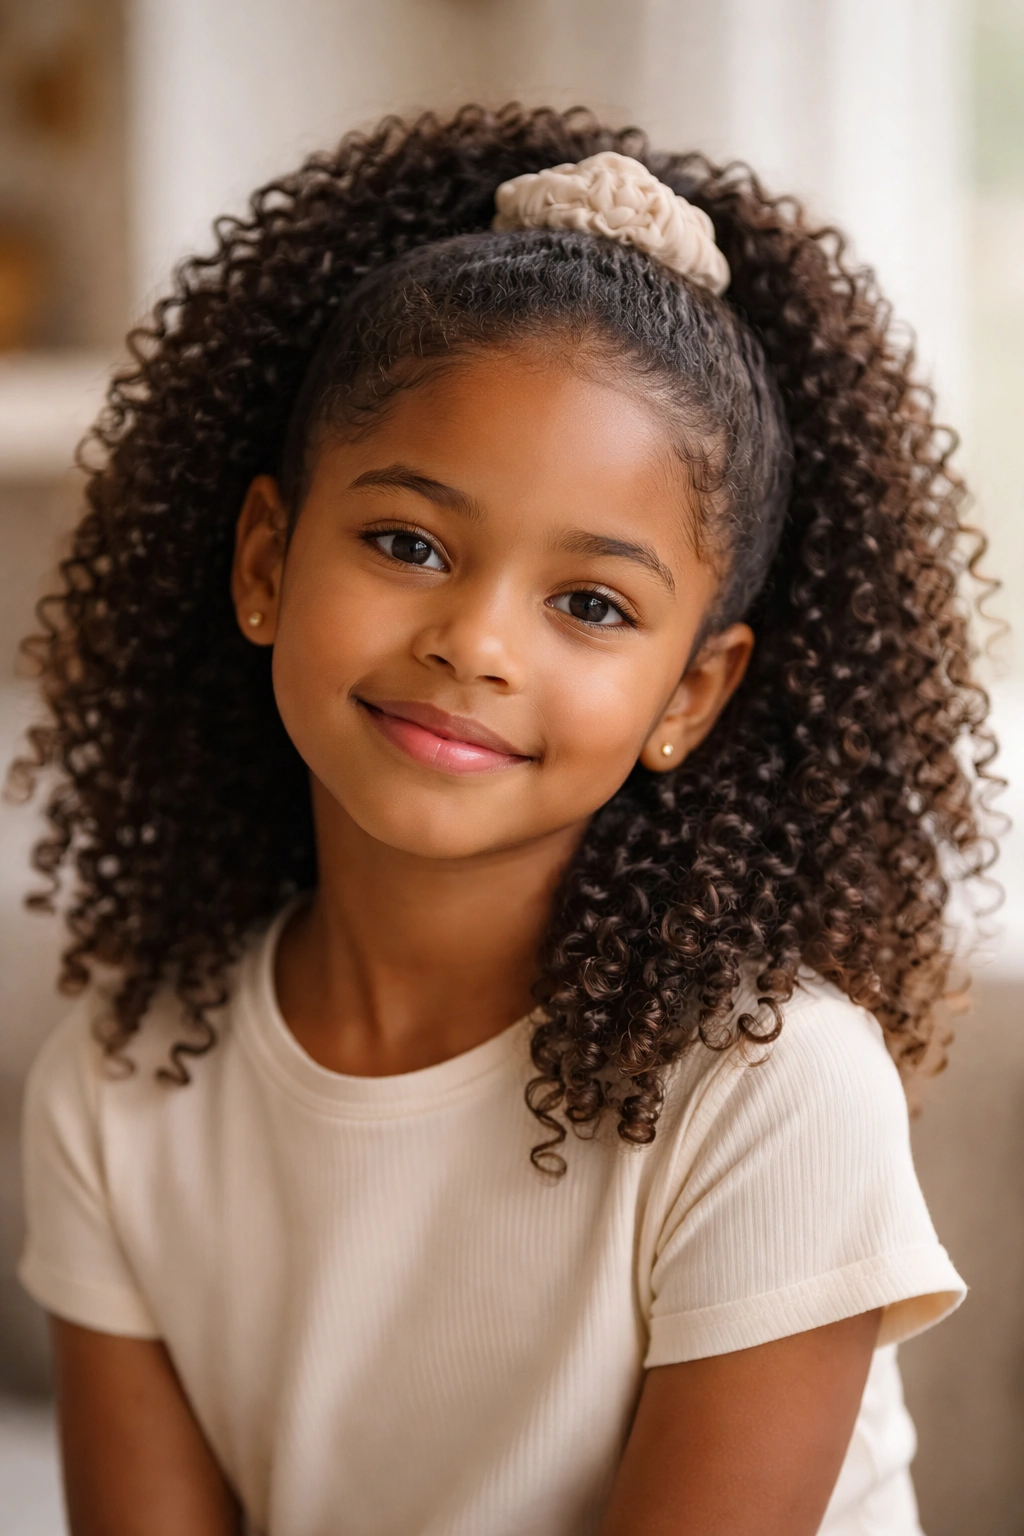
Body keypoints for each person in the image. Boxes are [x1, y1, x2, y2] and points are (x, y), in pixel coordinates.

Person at [14, 105, 992, 1536]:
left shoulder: (770, 1093)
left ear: (692, 694)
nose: (477, 642)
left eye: (590, 605)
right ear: (267, 561)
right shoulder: (121, 1082)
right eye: (408, 543)